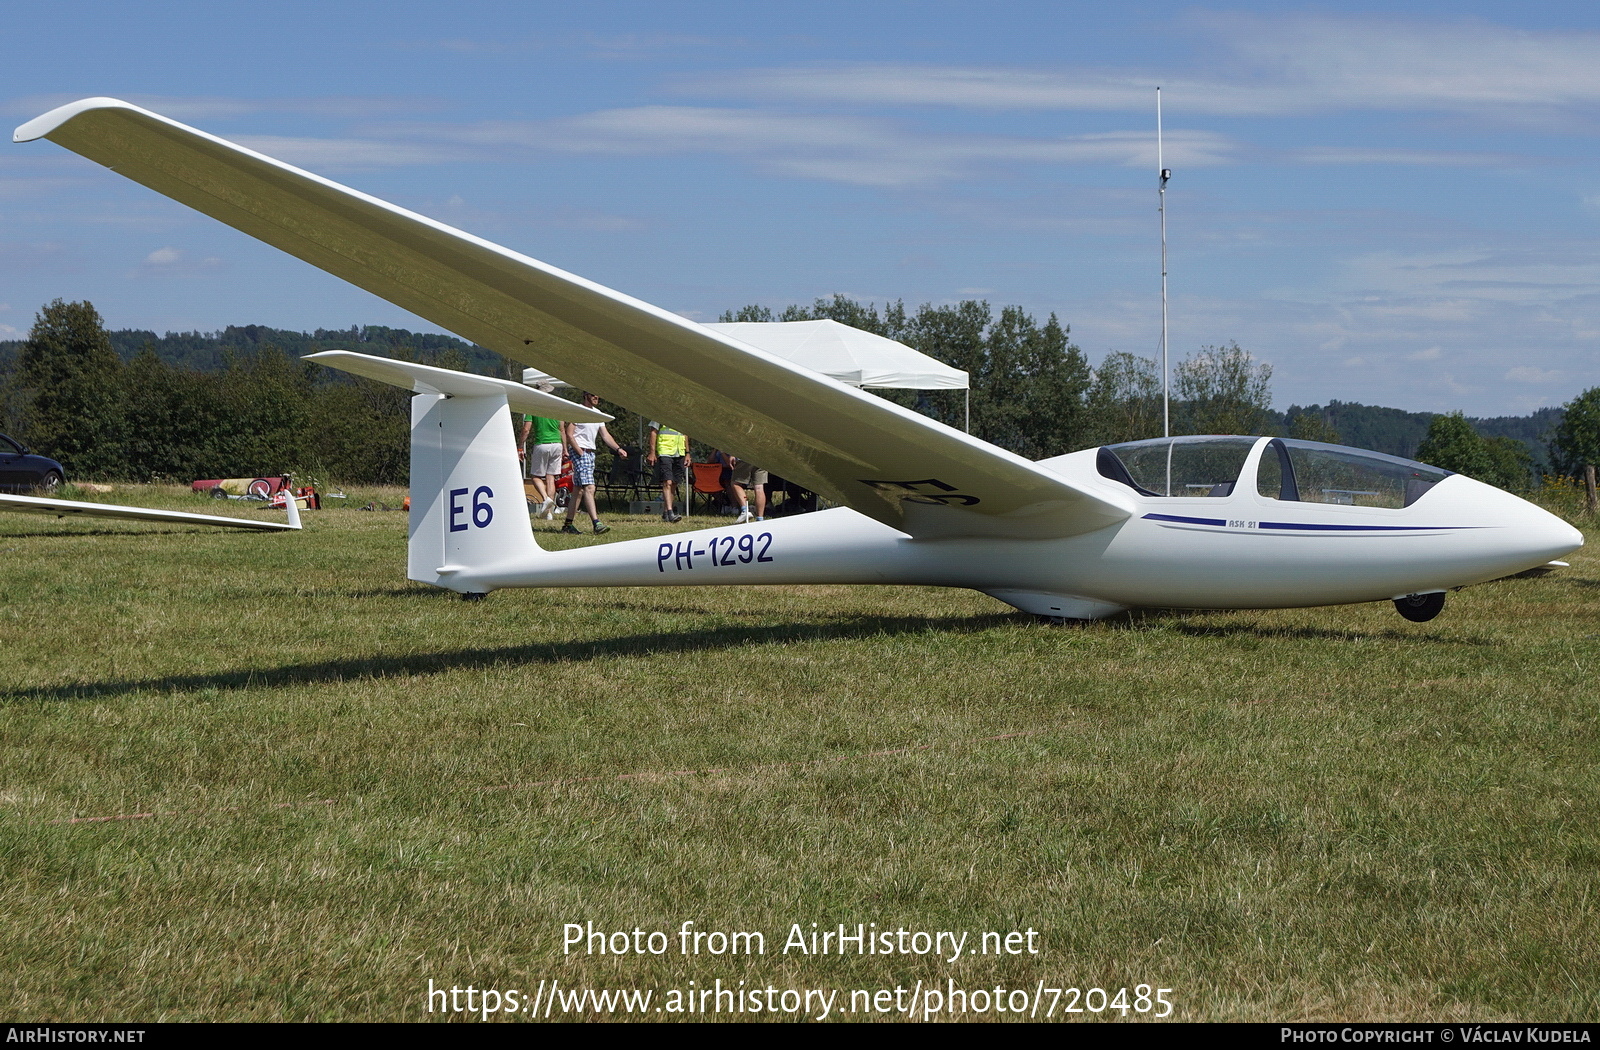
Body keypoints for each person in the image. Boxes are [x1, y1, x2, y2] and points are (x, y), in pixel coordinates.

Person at [561, 392, 627, 535]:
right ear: (585, 395)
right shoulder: (578, 411)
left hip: (590, 453)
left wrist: (618, 448)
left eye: (598, 395)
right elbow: (569, 433)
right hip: (581, 452)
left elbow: (605, 435)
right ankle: (596, 523)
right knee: (589, 487)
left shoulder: (597, 414)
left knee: (578, 491)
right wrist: (579, 451)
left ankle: (568, 525)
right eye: (593, 395)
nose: (596, 397)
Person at [518, 386, 564, 520]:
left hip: (542, 443)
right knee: (551, 478)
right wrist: (565, 448)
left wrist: (520, 446)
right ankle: (548, 512)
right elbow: (562, 429)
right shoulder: (556, 408)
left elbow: (526, 429)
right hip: (557, 444)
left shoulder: (533, 407)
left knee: (535, 476)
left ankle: (545, 499)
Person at [646, 420, 689, 523]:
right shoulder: (659, 414)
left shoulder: (681, 416)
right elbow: (653, 432)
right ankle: (670, 512)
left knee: (674, 482)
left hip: (679, 452)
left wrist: (687, 453)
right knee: (667, 482)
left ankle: (665, 512)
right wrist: (652, 453)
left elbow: (685, 435)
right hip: (665, 451)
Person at [725, 455, 768, 523]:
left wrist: (733, 454)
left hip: (745, 456)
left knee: (735, 484)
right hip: (762, 458)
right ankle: (760, 518)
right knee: (759, 488)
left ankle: (745, 511)